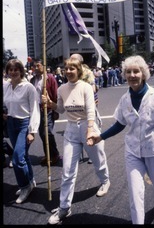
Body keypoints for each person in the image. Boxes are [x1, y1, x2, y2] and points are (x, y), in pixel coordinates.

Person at [87, 55, 154, 225]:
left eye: (136, 71)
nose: (132, 75)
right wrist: (100, 137)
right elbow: (119, 125)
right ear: (124, 75)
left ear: (143, 73)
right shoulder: (124, 99)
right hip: (133, 152)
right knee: (135, 192)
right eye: (128, 72)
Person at [42, 58, 110, 225]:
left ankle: (105, 181)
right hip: (71, 129)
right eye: (66, 68)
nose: (69, 71)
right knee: (67, 171)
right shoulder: (62, 88)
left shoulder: (86, 87)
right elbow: (60, 109)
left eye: (72, 68)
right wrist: (49, 103)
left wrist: (89, 130)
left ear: (78, 70)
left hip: (89, 125)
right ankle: (64, 207)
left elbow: (90, 110)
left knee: (98, 160)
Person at [3, 59, 40, 203]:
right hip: (10, 123)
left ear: (21, 70)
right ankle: (30, 181)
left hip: (24, 124)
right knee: (23, 155)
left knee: (17, 159)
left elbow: (35, 110)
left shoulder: (28, 87)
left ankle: (25, 186)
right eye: (10, 70)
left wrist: (32, 131)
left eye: (15, 69)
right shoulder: (6, 86)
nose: (13, 72)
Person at [30, 59, 60, 166]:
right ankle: (48, 154)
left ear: (43, 66)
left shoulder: (50, 78)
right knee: (42, 134)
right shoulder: (33, 80)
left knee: (47, 133)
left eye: (38, 65)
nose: (36, 68)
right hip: (37, 110)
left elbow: (55, 95)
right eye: (34, 66)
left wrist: (56, 110)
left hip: (48, 109)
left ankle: (54, 155)